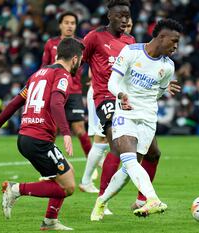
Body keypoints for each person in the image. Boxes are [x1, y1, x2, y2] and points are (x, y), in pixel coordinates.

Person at [0, 38, 85, 231]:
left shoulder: (38, 74)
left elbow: (16, 102)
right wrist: (66, 133)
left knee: (64, 174)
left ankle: (50, 221)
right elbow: (55, 103)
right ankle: (15, 189)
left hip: (26, 137)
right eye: (81, 60)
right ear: (74, 59)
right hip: (39, 139)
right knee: (67, 187)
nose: (80, 64)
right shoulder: (62, 75)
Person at [83, 0, 180, 214]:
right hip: (113, 102)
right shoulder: (109, 43)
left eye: (128, 16)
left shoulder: (163, 63)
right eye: (120, 15)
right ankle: (150, 199)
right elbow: (97, 72)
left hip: (145, 113)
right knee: (120, 150)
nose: (125, 20)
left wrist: (155, 89)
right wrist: (120, 95)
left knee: (138, 161)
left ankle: (102, 202)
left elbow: (158, 90)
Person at [79, 17, 133, 194]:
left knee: (107, 141)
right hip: (101, 95)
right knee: (102, 139)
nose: (127, 28)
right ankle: (88, 181)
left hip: (120, 97)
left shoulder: (129, 43)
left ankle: (89, 181)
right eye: (125, 24)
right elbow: (88, 63)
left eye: (130, 25)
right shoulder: (100, 38)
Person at [42, 11, 92, 158]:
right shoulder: (51, 44)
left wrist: (93, 75)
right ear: (60, 25)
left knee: (79, 129)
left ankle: (91, 165)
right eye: (66, 23)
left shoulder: (82, 44)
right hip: (55, 90)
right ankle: (50, 167)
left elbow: (93, 62)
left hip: (74, 91)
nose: (69, 26)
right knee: (53, 129)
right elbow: (44, 66)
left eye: (72, 23)